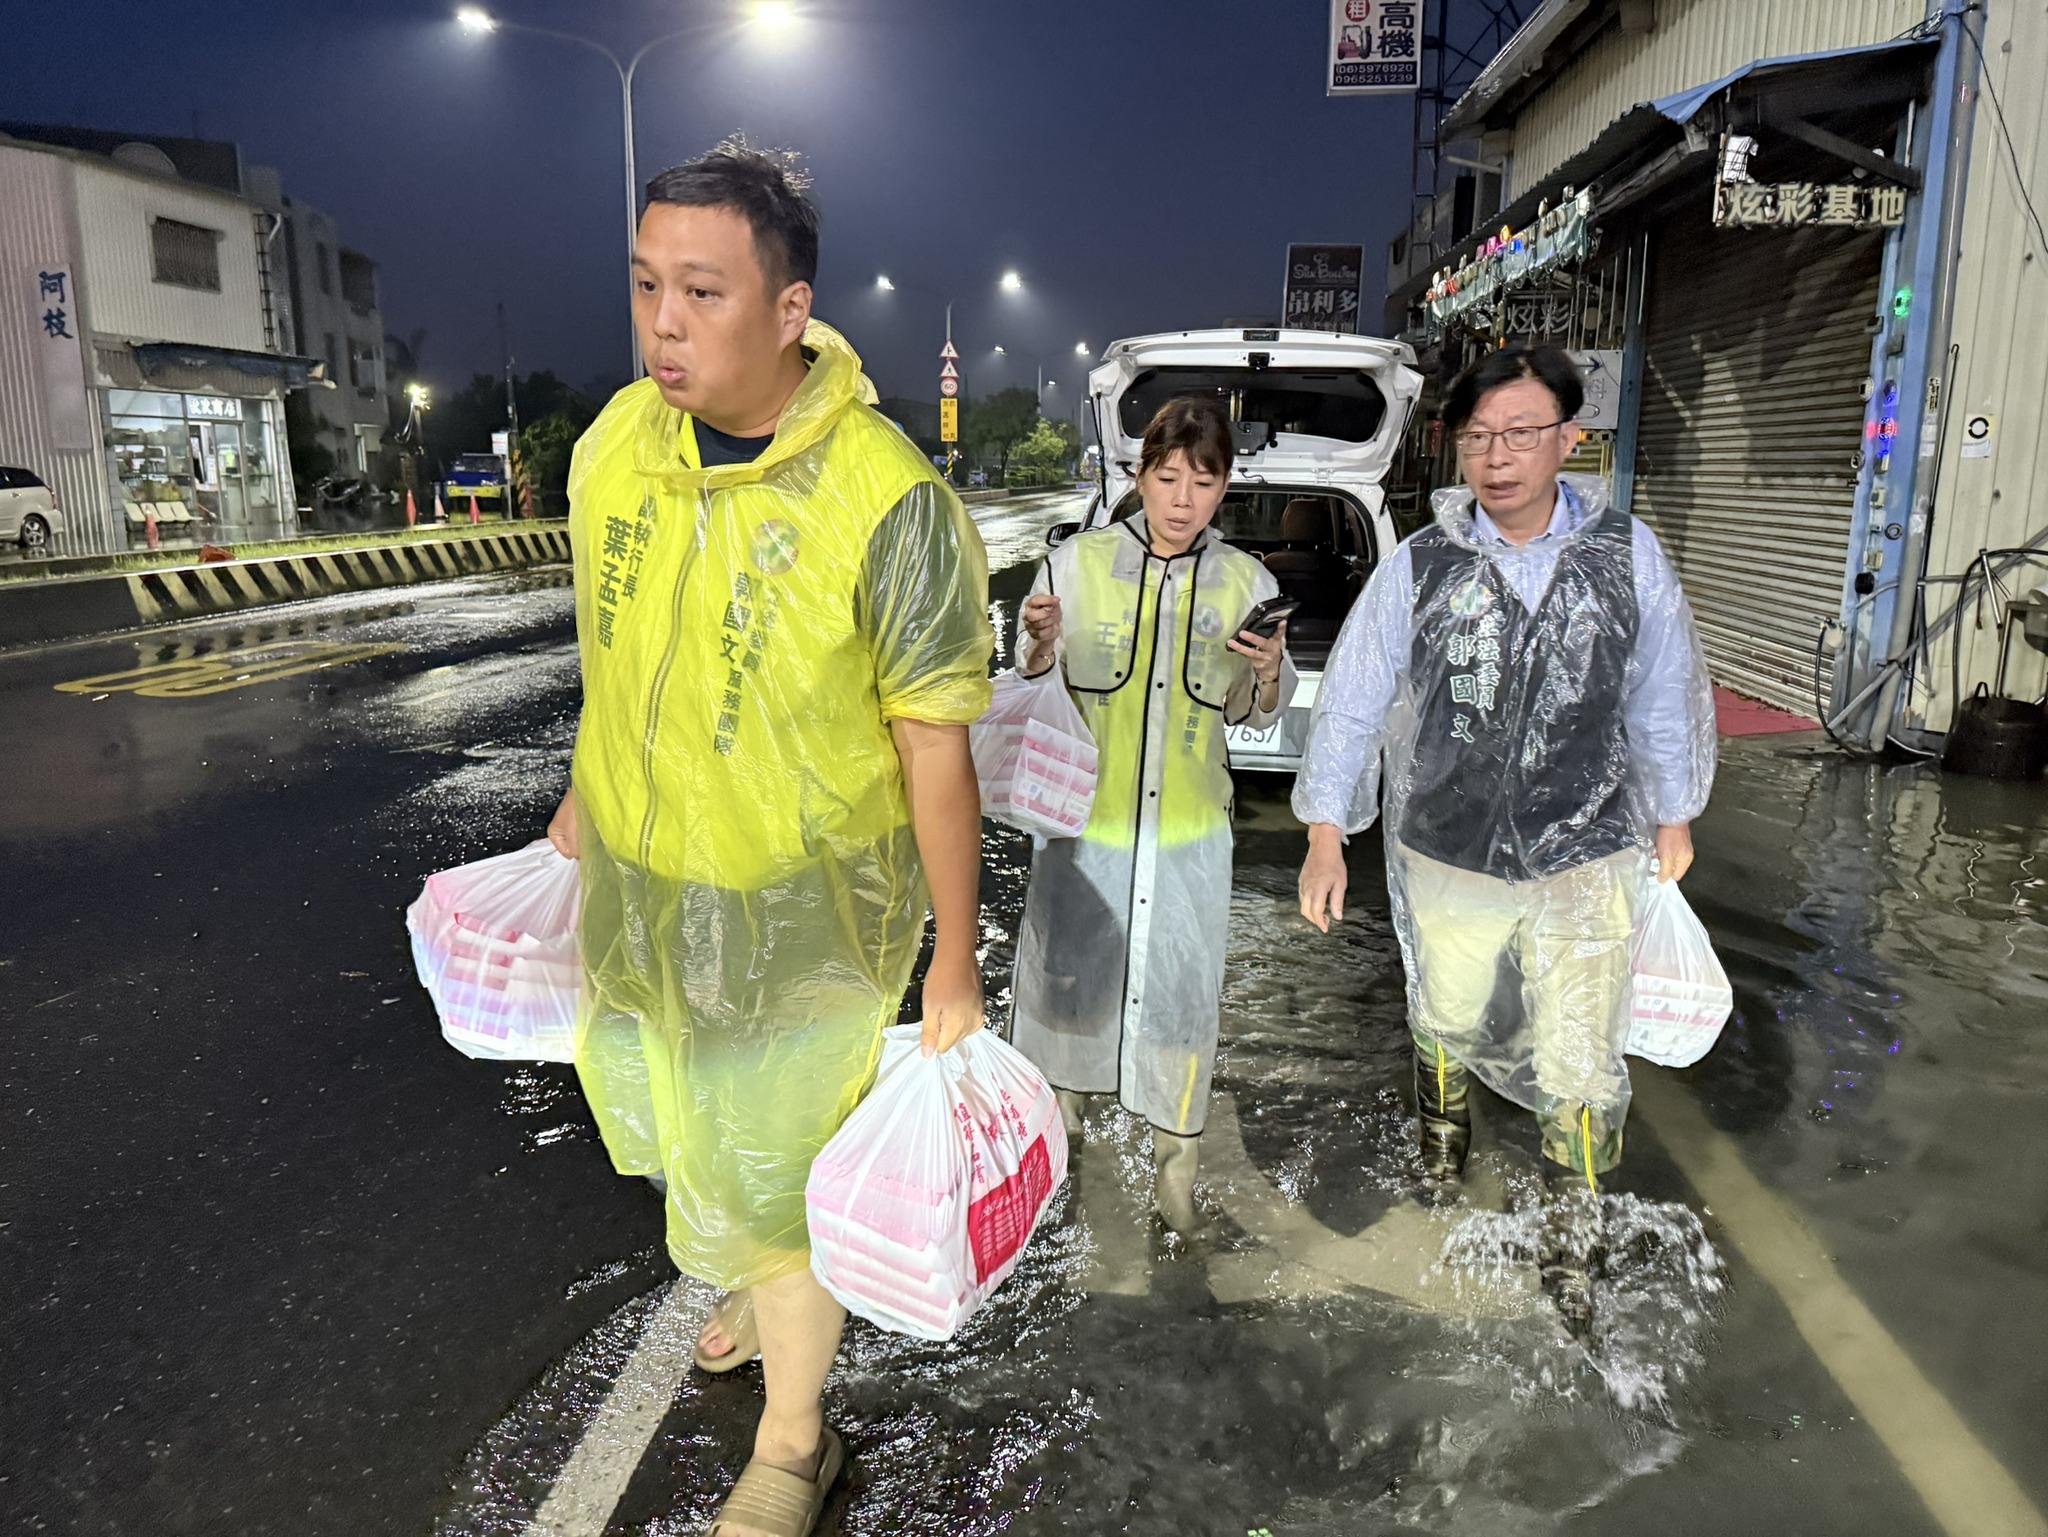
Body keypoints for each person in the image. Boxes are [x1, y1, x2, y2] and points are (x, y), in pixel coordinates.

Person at [547, 142, 994, 1535]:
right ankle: (745, 1273)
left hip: (809, 919)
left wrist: (955, 962)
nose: (663, 325)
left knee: (793, 1185)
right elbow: (613, 658)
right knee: (686, 1131)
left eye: (701, 291)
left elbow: (936, 747)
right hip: (648, 888)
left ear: (790, 310)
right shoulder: (616, 449)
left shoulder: (888, 503)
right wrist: (581, 788)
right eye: (643, 286)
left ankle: (796, 1444)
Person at [1292, 343, 1715, 1334]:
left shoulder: (1625, 556)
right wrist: (1324, 828)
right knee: (1445, 1010)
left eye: (1520, 431)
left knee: (1579, 1050)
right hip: (1447, 849)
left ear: (1569, 438)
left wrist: (1673, 806)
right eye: (1478, 434)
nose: (1497, 454)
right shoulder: (1422, 564)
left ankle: (1573, 1240)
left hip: (1588, 850)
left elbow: (1662, 692)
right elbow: (1353, 699)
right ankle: (1444, 1143)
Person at [1008, 395, 1295, 1234]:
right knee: (1066, 1000)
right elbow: (1028, 686)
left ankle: (1177, 1190)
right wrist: (1034, 644)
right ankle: (1050, 1177)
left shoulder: (1249, 583)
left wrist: (1270, 666)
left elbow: (1256, 713)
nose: (1181, 499)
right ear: (1140, 475)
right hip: (1084, 840)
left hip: (1189, 848)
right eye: (1166, 477)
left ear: (1225, 486)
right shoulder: (1075, 566)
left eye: (1201, 482)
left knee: (1179, 1008)